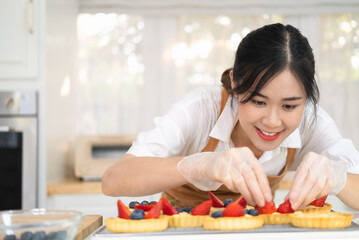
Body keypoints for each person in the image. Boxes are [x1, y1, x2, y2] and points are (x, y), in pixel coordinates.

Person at [101, 23, 359, 210]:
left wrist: (337, 177)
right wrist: (199, 165)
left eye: (290, 106)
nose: (272, 120)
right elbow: (113, 180)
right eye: (258, 101)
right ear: (235, 83)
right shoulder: (201, 108)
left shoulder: (312, 121)